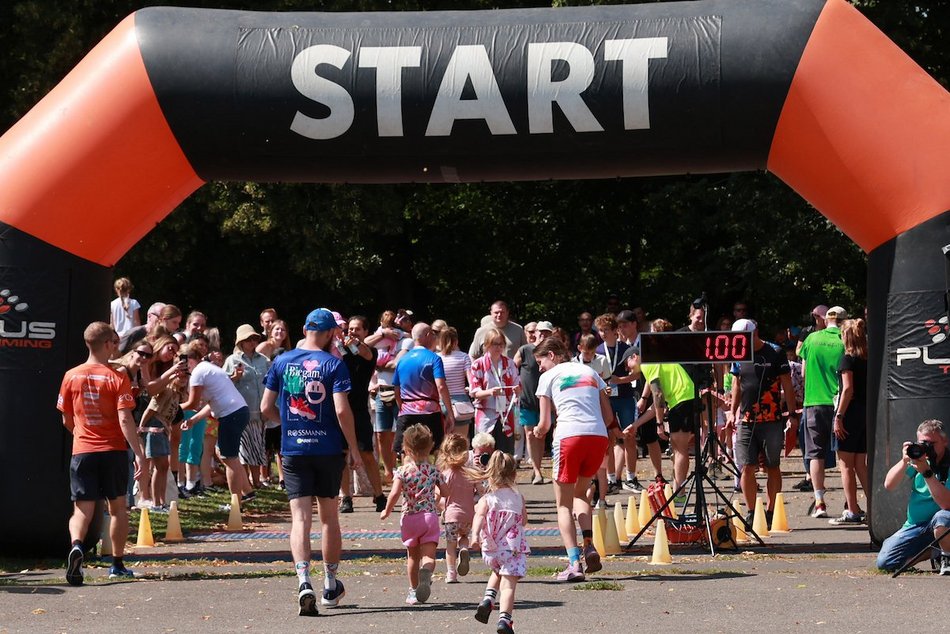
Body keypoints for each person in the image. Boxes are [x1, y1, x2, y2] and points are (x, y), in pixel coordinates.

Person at [261, 307, 361, 616]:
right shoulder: (334, 364)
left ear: (305, 328)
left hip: (294, 450)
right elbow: (342, 411)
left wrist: (289, 426)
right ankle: (330, 584)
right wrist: (354, 447)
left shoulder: (281, 361)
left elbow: (266, 407)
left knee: (300, 519)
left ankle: (304, 581)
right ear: (331, 333)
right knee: (329, 517)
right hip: (328, 449)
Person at [58, 322, 145, 584]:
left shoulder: (71, 375)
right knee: (117, 508)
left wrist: (82, 435)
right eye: (115, 343)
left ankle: (76, 546)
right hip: (113, 450)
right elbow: (125, 418)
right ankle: (117, 564)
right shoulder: (117, 377)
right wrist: (138, 452)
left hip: (82, 450)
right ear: (107, 344)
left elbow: (66, 419)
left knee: (82, 509)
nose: (117, 348)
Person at [533, 337, 611, 582]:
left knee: (563, 504)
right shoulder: (590, 371)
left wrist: (538, 431)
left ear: (553, 355)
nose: (539, 368)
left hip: (569, 437)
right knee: (580, 493)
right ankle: (589, 544)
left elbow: (545, 424)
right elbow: (608, 416)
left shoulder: (548, 377)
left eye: (540, 361)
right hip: (597, 436)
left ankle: (574, 563)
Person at [727, 319, 799, 526]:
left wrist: (792, 415)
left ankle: (771, 510)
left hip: (772, 420)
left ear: (755, 332)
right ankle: (751, 511)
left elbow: (788, 384)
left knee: (772, 465)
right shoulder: (738, 354)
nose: (741, 341)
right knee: (747, 466)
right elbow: (736, 385)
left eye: (744, 337)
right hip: (747, 420)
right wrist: (732, 412)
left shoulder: (775, 351)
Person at [380, 423, 447, 605]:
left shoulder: (402, 471)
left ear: (405, 448)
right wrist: (438, 495)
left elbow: (394, 494)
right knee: (428, 556)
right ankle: (427, 572)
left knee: (412, 557)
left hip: (409, 517)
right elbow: (446, 492)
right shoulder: (434, 471)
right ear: (431, 446)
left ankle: (413, 591)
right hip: (429, 517)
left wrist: (386, 510)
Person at [179, 342, 254, 502]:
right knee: (228, 455)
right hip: (238, 411)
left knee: (229, 458)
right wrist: (193, 419)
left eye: (182, 361)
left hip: (231, 414)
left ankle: (236, 503)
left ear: (190, 360)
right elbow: (212, 403)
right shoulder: (207, 368)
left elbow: (192, 403)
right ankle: (247, 492)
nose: (181, 365)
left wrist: (173, 408)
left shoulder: (198, 372)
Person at [877, 419, 950, 574]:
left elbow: (946, 504)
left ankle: (947, 557)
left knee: (942, 518)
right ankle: (935, 551)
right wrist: (904, 461)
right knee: (885, 562)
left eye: (931, 444)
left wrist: (927, 473)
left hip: (944, 524)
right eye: (922, 443)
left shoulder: (945, 465)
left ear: (945, 442)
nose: (926, 448)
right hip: (916, 526)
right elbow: (889, 485)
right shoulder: (919, 461)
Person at [471, 451, 529, 634]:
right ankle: (505, 619)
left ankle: (488, 599)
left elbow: (479, 518)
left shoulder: (487, 499)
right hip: (511, 549)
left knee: (497, 571)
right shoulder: (518, 498)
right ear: (514, 475)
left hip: (491, 549)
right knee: (509, 585)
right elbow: (524, 521)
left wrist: (474, 537)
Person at [627, 340, 696, 492]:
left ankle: (679, 492)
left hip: (683, 400)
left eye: (627, 365)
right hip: (683, 399)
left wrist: (659, 425)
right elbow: (654, 406)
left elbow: (658, 395)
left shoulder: (648, 364)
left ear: (634, 357)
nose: (628, 370)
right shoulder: (654, 361)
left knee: (680, 449)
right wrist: (635, 425)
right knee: (677, 449)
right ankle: (679, 489)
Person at [799, 304, 846, 518]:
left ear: (826, 320)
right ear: (844, 321)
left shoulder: (811, 339)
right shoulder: (846, 340)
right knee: (846, 455)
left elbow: (803, 370)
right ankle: (849, 502)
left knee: (815, 453)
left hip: (814, 401)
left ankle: (819, 502)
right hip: (841, 403)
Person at [339, 315, 386, 513]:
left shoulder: (370, 352)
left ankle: (379, 495)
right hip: (341, 407)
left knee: (367, 453)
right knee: (341, 454)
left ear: (366, 332)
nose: (353, 332)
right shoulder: (340, 352)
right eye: (350, 329)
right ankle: (346, 498)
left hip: (359, 409)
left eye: (357, 329)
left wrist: (356, 343)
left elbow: (366, 354)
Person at [392, 323, 456, 457]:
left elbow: (396, 389)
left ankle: (407, 477)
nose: (435, 337)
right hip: (430, 411)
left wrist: (402, 408)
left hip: (407, 411)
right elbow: (441, 386)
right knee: (437, 451)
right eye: (433, 334)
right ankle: (435, 477)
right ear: (427, 335)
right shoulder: (434, 358)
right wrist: (450, 413)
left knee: (407, 451)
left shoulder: (402, 360)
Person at [829, 318, 870, 525]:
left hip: (850, 412)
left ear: (846, 336)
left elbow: (847, 389)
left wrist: (839, 416)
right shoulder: (867, 358)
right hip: (865, 412)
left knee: (845, 464)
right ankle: (873, 506)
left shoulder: (847, 359)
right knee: (860, 464)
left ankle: (852, 509)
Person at [224, 324, 269, 489]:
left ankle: (256, 480)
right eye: (249, 339)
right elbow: (223, 383)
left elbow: (270, 383)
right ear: (241, 341)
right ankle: (245, 482)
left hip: (260, 411)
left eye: (255, 338)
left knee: (257, 446)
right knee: (243, 448)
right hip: (241, 411)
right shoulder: (232, 360)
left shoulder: (263, 360)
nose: (252, 342)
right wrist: (234, 378)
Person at [470, 328, 521, 456]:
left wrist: (517, 390)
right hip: (486, 414)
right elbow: (474, 392)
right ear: (487, 345)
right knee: (484, 453)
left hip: (506, 414)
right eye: (495, 344)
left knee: (505, 453)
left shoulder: (509, 364)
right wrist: (490, 392)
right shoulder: (478, 364)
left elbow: (518, 386)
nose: (498, 347)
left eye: (501, 344)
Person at [514, 322, 551, 484]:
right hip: (526, 399)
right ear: (534, 333)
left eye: (546, 332)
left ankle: (538, 468)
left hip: (545, 400)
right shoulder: (525, 350)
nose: (542, 334)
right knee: (529, 434)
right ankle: (536, 472)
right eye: (540, 331)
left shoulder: (552, 353)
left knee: (541, 435)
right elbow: (511, 368)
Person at [437, 434, 478, 583]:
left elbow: (438, 497)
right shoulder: (470, 474)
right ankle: (465, 549)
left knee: (450, 545)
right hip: (468, 515)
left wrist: (439, 507)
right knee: (464, 537)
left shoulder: (444, 475)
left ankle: (451, 574)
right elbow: (481, 491)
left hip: (451, 517)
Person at [439, 327, 475, 437]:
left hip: (441, 401)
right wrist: (470, 389)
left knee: (444, 443)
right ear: (456, 341)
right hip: (460, 402)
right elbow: (471, 380)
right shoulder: (464, 357)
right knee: (461, 441)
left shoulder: (436, 357)